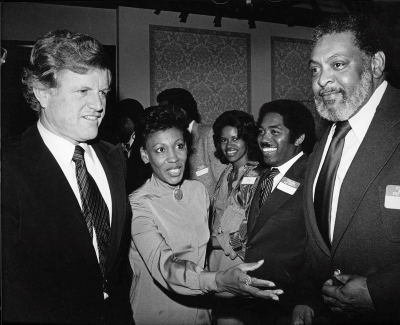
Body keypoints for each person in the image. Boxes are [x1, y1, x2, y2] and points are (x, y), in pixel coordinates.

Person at [2, 29, 133, 324]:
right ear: (42, 92)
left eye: (102, 92)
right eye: (83, 91)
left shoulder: (114, 159)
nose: (99, 105)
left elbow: (116, 268)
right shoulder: (9, 166)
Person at [128, 105, 283, 325]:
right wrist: (219, 281)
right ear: (145, 155)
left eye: (179, 146)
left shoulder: (198, 191)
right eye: (160, 150)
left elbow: (202, 257)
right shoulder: (137, 204)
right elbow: (166, 268)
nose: (174, 158)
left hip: (202, 313)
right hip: (158, 313)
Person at [292, 13, 400, 325]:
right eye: (315, 69)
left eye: (337, 64)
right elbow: (319, 240)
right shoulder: (325, 140)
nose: (321, 79)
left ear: (375, 65)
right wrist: (306, 296)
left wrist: (381, 292)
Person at [233, 100, 316, 324]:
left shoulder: (313, 177)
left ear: (299, 138)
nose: (264, 139)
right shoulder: (264, 174)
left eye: (274, 131)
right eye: (261, 131)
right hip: (255, 296)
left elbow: (319, 247)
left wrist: (307, 299)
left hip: (288, 301)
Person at [208, 110, 263, 324]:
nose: (228, 145)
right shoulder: (228, 173)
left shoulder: (254, 176)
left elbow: (245, 237)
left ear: (247, 139)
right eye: (223, 140)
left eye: (235, 138)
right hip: (217, 266)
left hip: (238, 267)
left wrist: (204, 241)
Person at [157, 87, 225, 196]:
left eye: (165, 111)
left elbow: (223, 183)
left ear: (181, 111)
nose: (161, 117)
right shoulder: (165, 141)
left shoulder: (208, 134)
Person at [113, 98, 152, 193]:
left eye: (119, 122)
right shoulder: (117, 147)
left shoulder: (145, 145)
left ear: (128, 121)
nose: (116, 128)